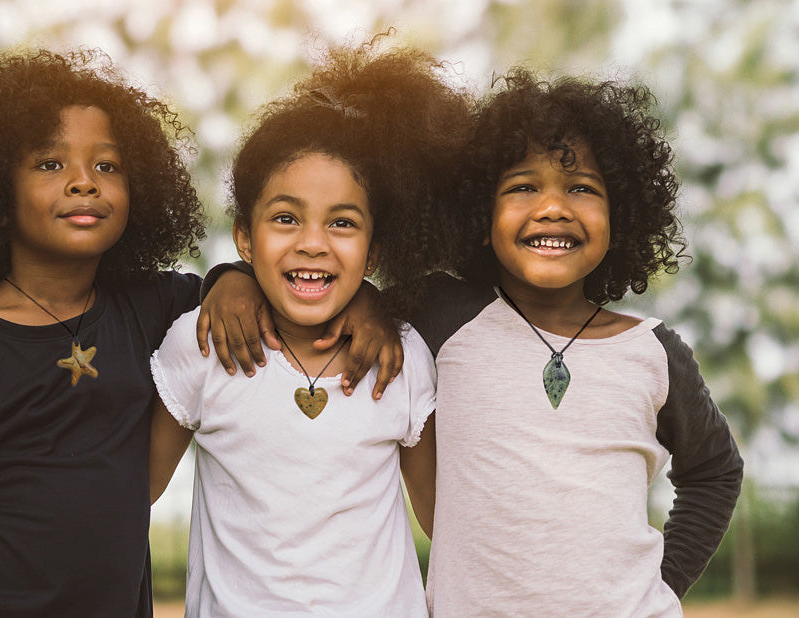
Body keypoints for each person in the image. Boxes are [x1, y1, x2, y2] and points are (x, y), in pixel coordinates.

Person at [204, 68, 744, 617]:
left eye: (581, 187)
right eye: (523, 187)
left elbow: (716, 472)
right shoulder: (444, 314)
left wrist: (664, 585)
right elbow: (322, 286)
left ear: (621, 215)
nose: (553, 206)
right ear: (479, 217)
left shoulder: (655, 354)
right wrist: (233, 278)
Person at [0, 48, 209, 617]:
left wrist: (237, 282)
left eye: (107, 165)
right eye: (51, 164)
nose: (84, 183)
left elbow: (240, 291)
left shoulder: (153, 307)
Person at [148, 41, 470, 616]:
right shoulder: (201, 345)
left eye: (342, 222)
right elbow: (129, 496)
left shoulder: (403, 356)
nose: (313, 242)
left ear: (373, 253)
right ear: (245, 238)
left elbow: (447, 519)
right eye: (286, 218)